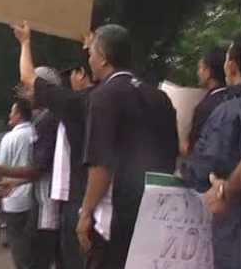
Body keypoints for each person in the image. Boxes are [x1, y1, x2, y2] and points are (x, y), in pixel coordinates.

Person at [76, 24, 178, 269]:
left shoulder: (103, 97)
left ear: (103, 58)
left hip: (115, 218)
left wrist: (86, 213)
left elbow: (101, 166)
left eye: (91, 53)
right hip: (155, 212)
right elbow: (172, 155)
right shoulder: (159, 97)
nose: (89, 59)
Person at [12, 21, 96, 269]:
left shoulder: (67, 108)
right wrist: (91, 48)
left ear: (81, 74)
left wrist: (25, 42)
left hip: (76, 202)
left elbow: (27, 77)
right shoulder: (109, 100)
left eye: (73, 72)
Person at [0, 67, 63, 269]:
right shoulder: (41, 123)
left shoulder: (48, 121)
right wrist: (16, 181)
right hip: (36, 201)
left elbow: (38, 169)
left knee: (31, 258)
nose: (25, 93)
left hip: (48, 206)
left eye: (29, 87)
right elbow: (46, 170)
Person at [182, 34, 241, 269]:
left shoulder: (229, 111)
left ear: (231, 65)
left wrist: (186, 168)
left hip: (235, 224)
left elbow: (205, 166)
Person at [0, 100, 34, 269]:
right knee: (34, 249)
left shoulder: (10, 138)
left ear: (19, 115)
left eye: (12, 112)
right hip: (35, 198)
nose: (9, 115)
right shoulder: (37, 133)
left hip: (13, 199)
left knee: (18, 248)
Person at [184, 46, 227, 156]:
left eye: (200, 68)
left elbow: (192, 149)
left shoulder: (205, 107)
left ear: (208, 72)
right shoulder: (233, 99)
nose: (198, 72)